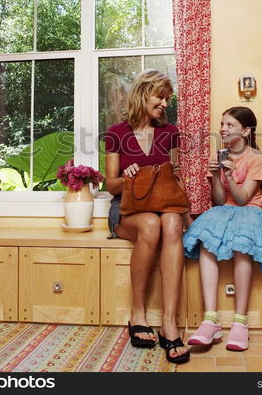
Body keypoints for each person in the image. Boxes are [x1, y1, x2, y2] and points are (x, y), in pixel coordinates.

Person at [183, 106, 262, 351]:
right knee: (206, 245)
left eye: (229, 125)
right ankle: (210, 319)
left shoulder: (255, 158)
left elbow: (244, 198)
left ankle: (240, 322)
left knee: (242, 247)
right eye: (222, 124)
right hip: (223, 211)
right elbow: (218, 199)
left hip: (249, 212)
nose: (223, 129)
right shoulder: (219, 156)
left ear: (246, 131)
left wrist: (227, 174)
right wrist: (217, 176)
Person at [104, 69, 190, 364]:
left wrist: (187, 214)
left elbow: (175, 178)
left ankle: (169, 323)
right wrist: (127, 177)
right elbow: (109, 184)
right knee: (152, 224)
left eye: (167, 98)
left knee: (170, 221)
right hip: (126, 208)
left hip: (162, 205)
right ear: (143, 94)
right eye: (160, 96)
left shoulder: (171, 133)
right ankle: (137, 312)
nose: (165, 103)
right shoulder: (116, 133)